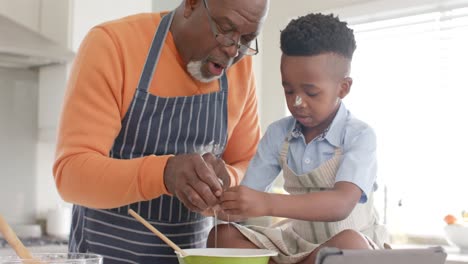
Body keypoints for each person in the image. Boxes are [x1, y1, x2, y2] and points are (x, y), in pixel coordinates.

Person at [52, 0, 269, 263]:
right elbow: (71, 175)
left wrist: (230, 178)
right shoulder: (113, 45)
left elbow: (252, 166)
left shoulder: (241, 70)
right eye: (225, 29)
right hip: (107, 256)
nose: (233, 51)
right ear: (191, 4)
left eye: (247, 39)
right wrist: (165, 173)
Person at [208, 13, 389, 264]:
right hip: (297, 244)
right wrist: (223, 200)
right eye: (289, 90)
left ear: (343, 88)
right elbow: (249, 197)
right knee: (223, 235)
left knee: (350, 244)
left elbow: (341, 204)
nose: (297, 102)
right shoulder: (278, 134)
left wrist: (268, 203)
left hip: (352, 244)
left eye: (311, 92)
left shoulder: (359, 135)